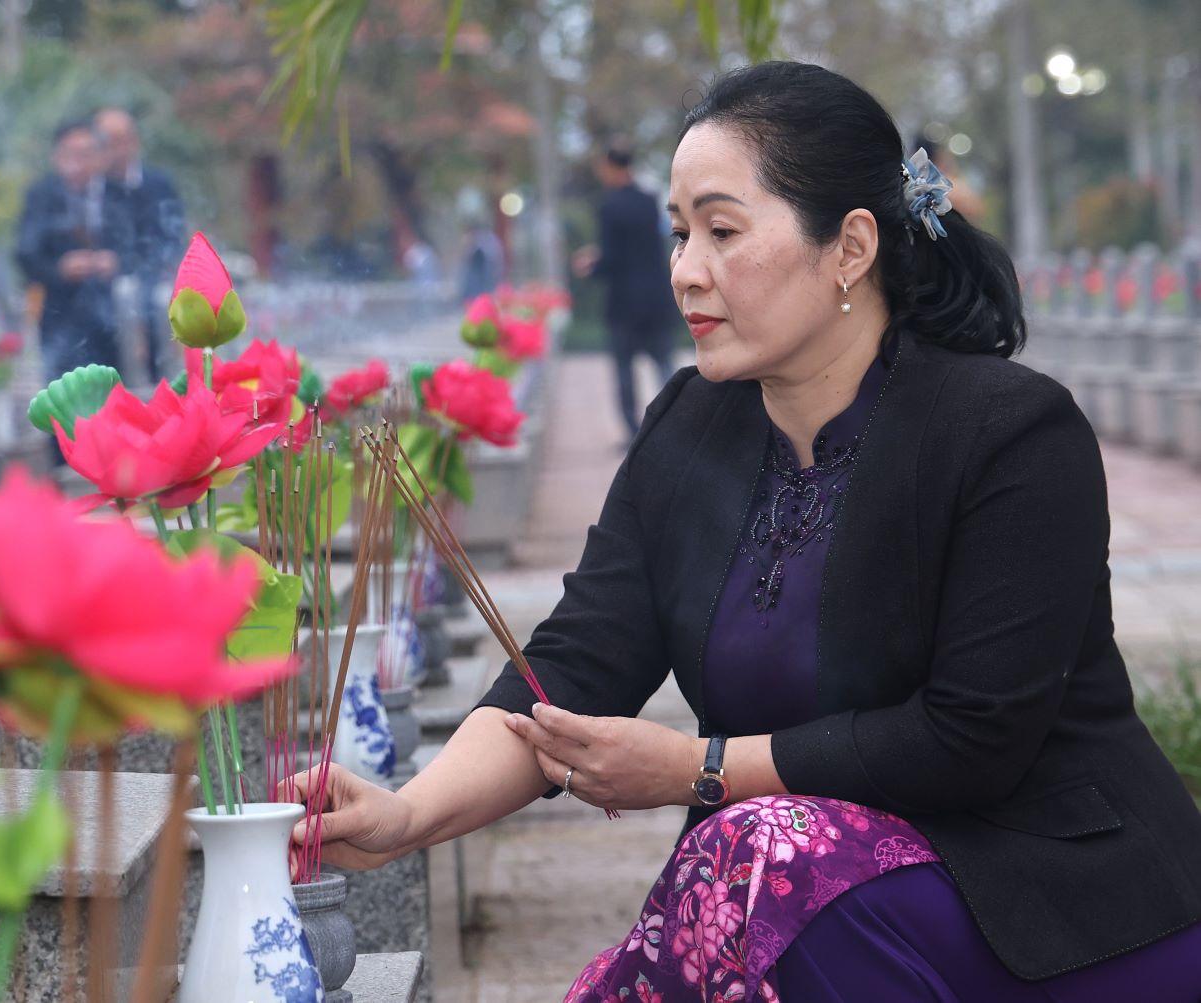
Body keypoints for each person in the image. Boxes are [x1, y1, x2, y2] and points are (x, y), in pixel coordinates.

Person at [283, 61, 1201, 1001]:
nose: (686, 269)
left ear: (849, 248)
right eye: (680, 234)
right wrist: (406, 814)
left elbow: (973, 737)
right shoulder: (693, 421)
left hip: (1052, 909)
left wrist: (699, 769)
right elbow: (571, 663)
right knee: (756, 867)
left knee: (757, 853)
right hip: (797, 896)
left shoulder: (1009, 431)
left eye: (723, 231)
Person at [573, 142, 681, 441]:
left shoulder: (609, 206)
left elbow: (613, 258)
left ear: (609, 167)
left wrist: (590, 266)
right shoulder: (649, 200)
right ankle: (679, 421)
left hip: (623, 303)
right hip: (655, 296)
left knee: (624, 371)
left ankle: (635, 432)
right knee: (664, 363)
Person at [15, 118, 132, 388]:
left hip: (115, 316)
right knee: (62, 396)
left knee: (112, 396)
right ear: (57, 157)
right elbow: (25, 253)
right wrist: (60, 269)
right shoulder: (41, 196)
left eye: (88, 153)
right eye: (72, 154)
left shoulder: (119, 194)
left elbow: (140, 247)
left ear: (101, 156)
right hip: (60, 313)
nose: (80, 162)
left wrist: (116, 262)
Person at [94, 107, 187, 384]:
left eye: (121, 140)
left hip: (152, 294)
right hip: (103, 303)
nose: (116, 150)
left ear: (134, 141)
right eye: (107, 142)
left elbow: (171, 236)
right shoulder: (91, 191)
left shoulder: (159, 184)